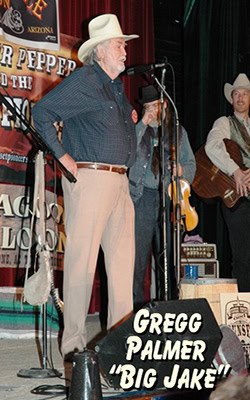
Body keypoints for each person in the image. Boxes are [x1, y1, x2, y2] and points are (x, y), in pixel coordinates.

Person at [32, 14, 139, 360]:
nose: (125, 50)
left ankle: (121, 351)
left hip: (121, 182)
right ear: (102, 50)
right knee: (81, 266)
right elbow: (43, 112)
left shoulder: (115, 89)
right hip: (91, 180)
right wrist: (63, 157)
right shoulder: (87, 80)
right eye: (120, 44)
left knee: (123, 272)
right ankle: (74, 350)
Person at [129, 85, 196, 310]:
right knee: (138, 259)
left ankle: (170, 307)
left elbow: (191, 164)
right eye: (148, 106)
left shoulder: (177, 131)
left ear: (164, 105)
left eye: (155, 106)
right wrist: (142, 126)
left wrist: (181, 171)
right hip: (143, 197)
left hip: (169, 197)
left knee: (169, 258)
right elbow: (126, 156)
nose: (152, 110)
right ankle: (137, 310)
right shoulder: (137, 129)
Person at [205, 73, 250, 292]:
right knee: (242, 257)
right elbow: (212, 146)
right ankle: (244, 313)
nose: (240, 98)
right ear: (231, 99)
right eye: (236, 94)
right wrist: (236, 171)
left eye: (244, 94)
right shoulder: (224, 123)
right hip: (236, 199)